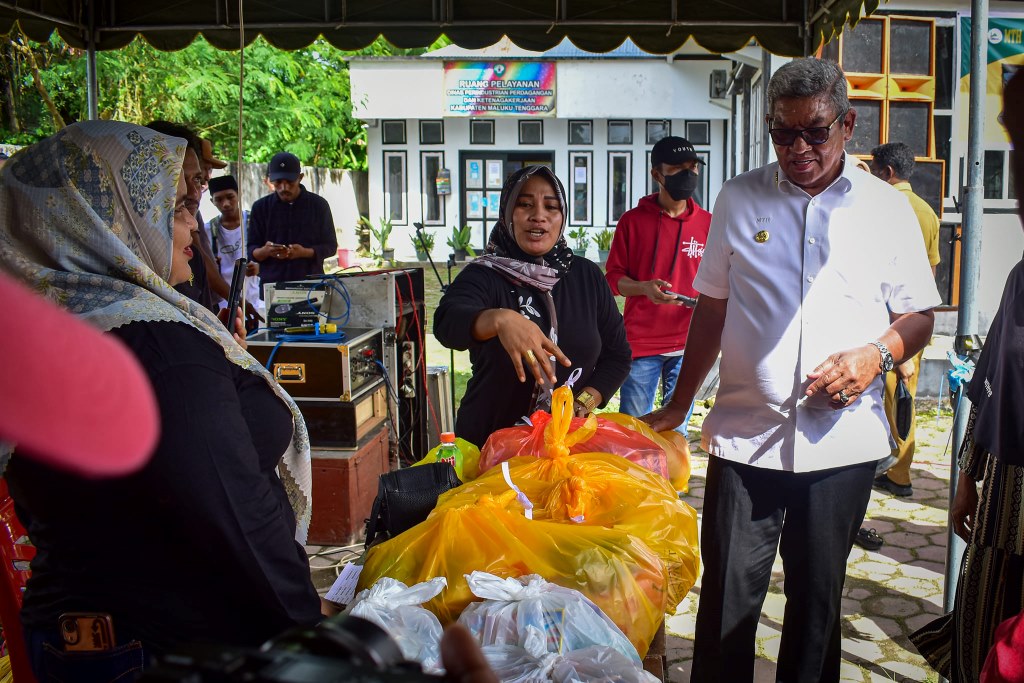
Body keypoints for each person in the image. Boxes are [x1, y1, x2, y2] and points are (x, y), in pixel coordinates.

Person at [644, 57, 940, 681]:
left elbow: (918, 317)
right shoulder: (740, 195)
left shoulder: (886, 208)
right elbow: (713, 308)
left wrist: (874, 355)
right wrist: (679, 402)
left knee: (815, 613)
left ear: (848, 124)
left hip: (841, 446)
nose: (798, 148)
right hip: (744, 439)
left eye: (815, 131)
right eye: (783, 134)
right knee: (725, 608)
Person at [0, 121, 321, 679]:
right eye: (175, 209)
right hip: (160, 650)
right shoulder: (152, 347)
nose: (190, 230)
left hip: (85, 640)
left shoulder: (50, 331)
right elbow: (232, 517)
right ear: (108, 223)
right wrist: (314, 635)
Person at [910, 67, 1024, 683]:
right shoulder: (1022, 280)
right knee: (983, 640)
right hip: (1004, 510)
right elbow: (990, 388)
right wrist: (968, 478)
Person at [434, 165, 631, 449]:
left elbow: (618, 355)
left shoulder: (587, 277)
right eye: (524, 204)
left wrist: (583, 403)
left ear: (562, 217)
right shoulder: (485, 275)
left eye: (551, 207)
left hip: (564, 446)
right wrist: (499, 320)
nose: (538, 215)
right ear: (507, 213)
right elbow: (446, 323)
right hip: (490, 447)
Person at [604, 136, 712, 432]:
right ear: (657, 174)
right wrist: (643, 288)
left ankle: (670, 481)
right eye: (677, 168)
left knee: (676, 434)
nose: (687, 175)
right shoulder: (632, 222)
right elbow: (613, 280)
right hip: (642, 346)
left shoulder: (710, 224)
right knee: (634, 432)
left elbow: (722, 281)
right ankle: (634, 480)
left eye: (692, 167)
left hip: (690, 346)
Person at [870, 141, 942, 498]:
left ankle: (897, 475)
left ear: (887, 172)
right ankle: (898, 468)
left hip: (885, 325)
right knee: (904, 399)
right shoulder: (928, 212)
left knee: (893, 402)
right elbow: (928, 273)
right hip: (916, 321)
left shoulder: (880, 207)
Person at [247, 151, 338, 292]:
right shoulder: (260, 208)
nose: (284, 188)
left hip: (310, 286)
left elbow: (331, 246)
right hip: (272, 286)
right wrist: (265, 251)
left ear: (300, 178)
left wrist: (305, 252)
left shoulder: (319, 205)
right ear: (270, 180)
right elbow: (251, 249)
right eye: (278, 183)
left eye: (290, 182)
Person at [207, 174, 264, 321]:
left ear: (239, 195)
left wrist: (260, 267)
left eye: (230, 197)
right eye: (218, 199)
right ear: (211, 201)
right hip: (224, 305)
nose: (225, 204)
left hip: (256, 300)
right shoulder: (208, 230)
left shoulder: (256, 223)